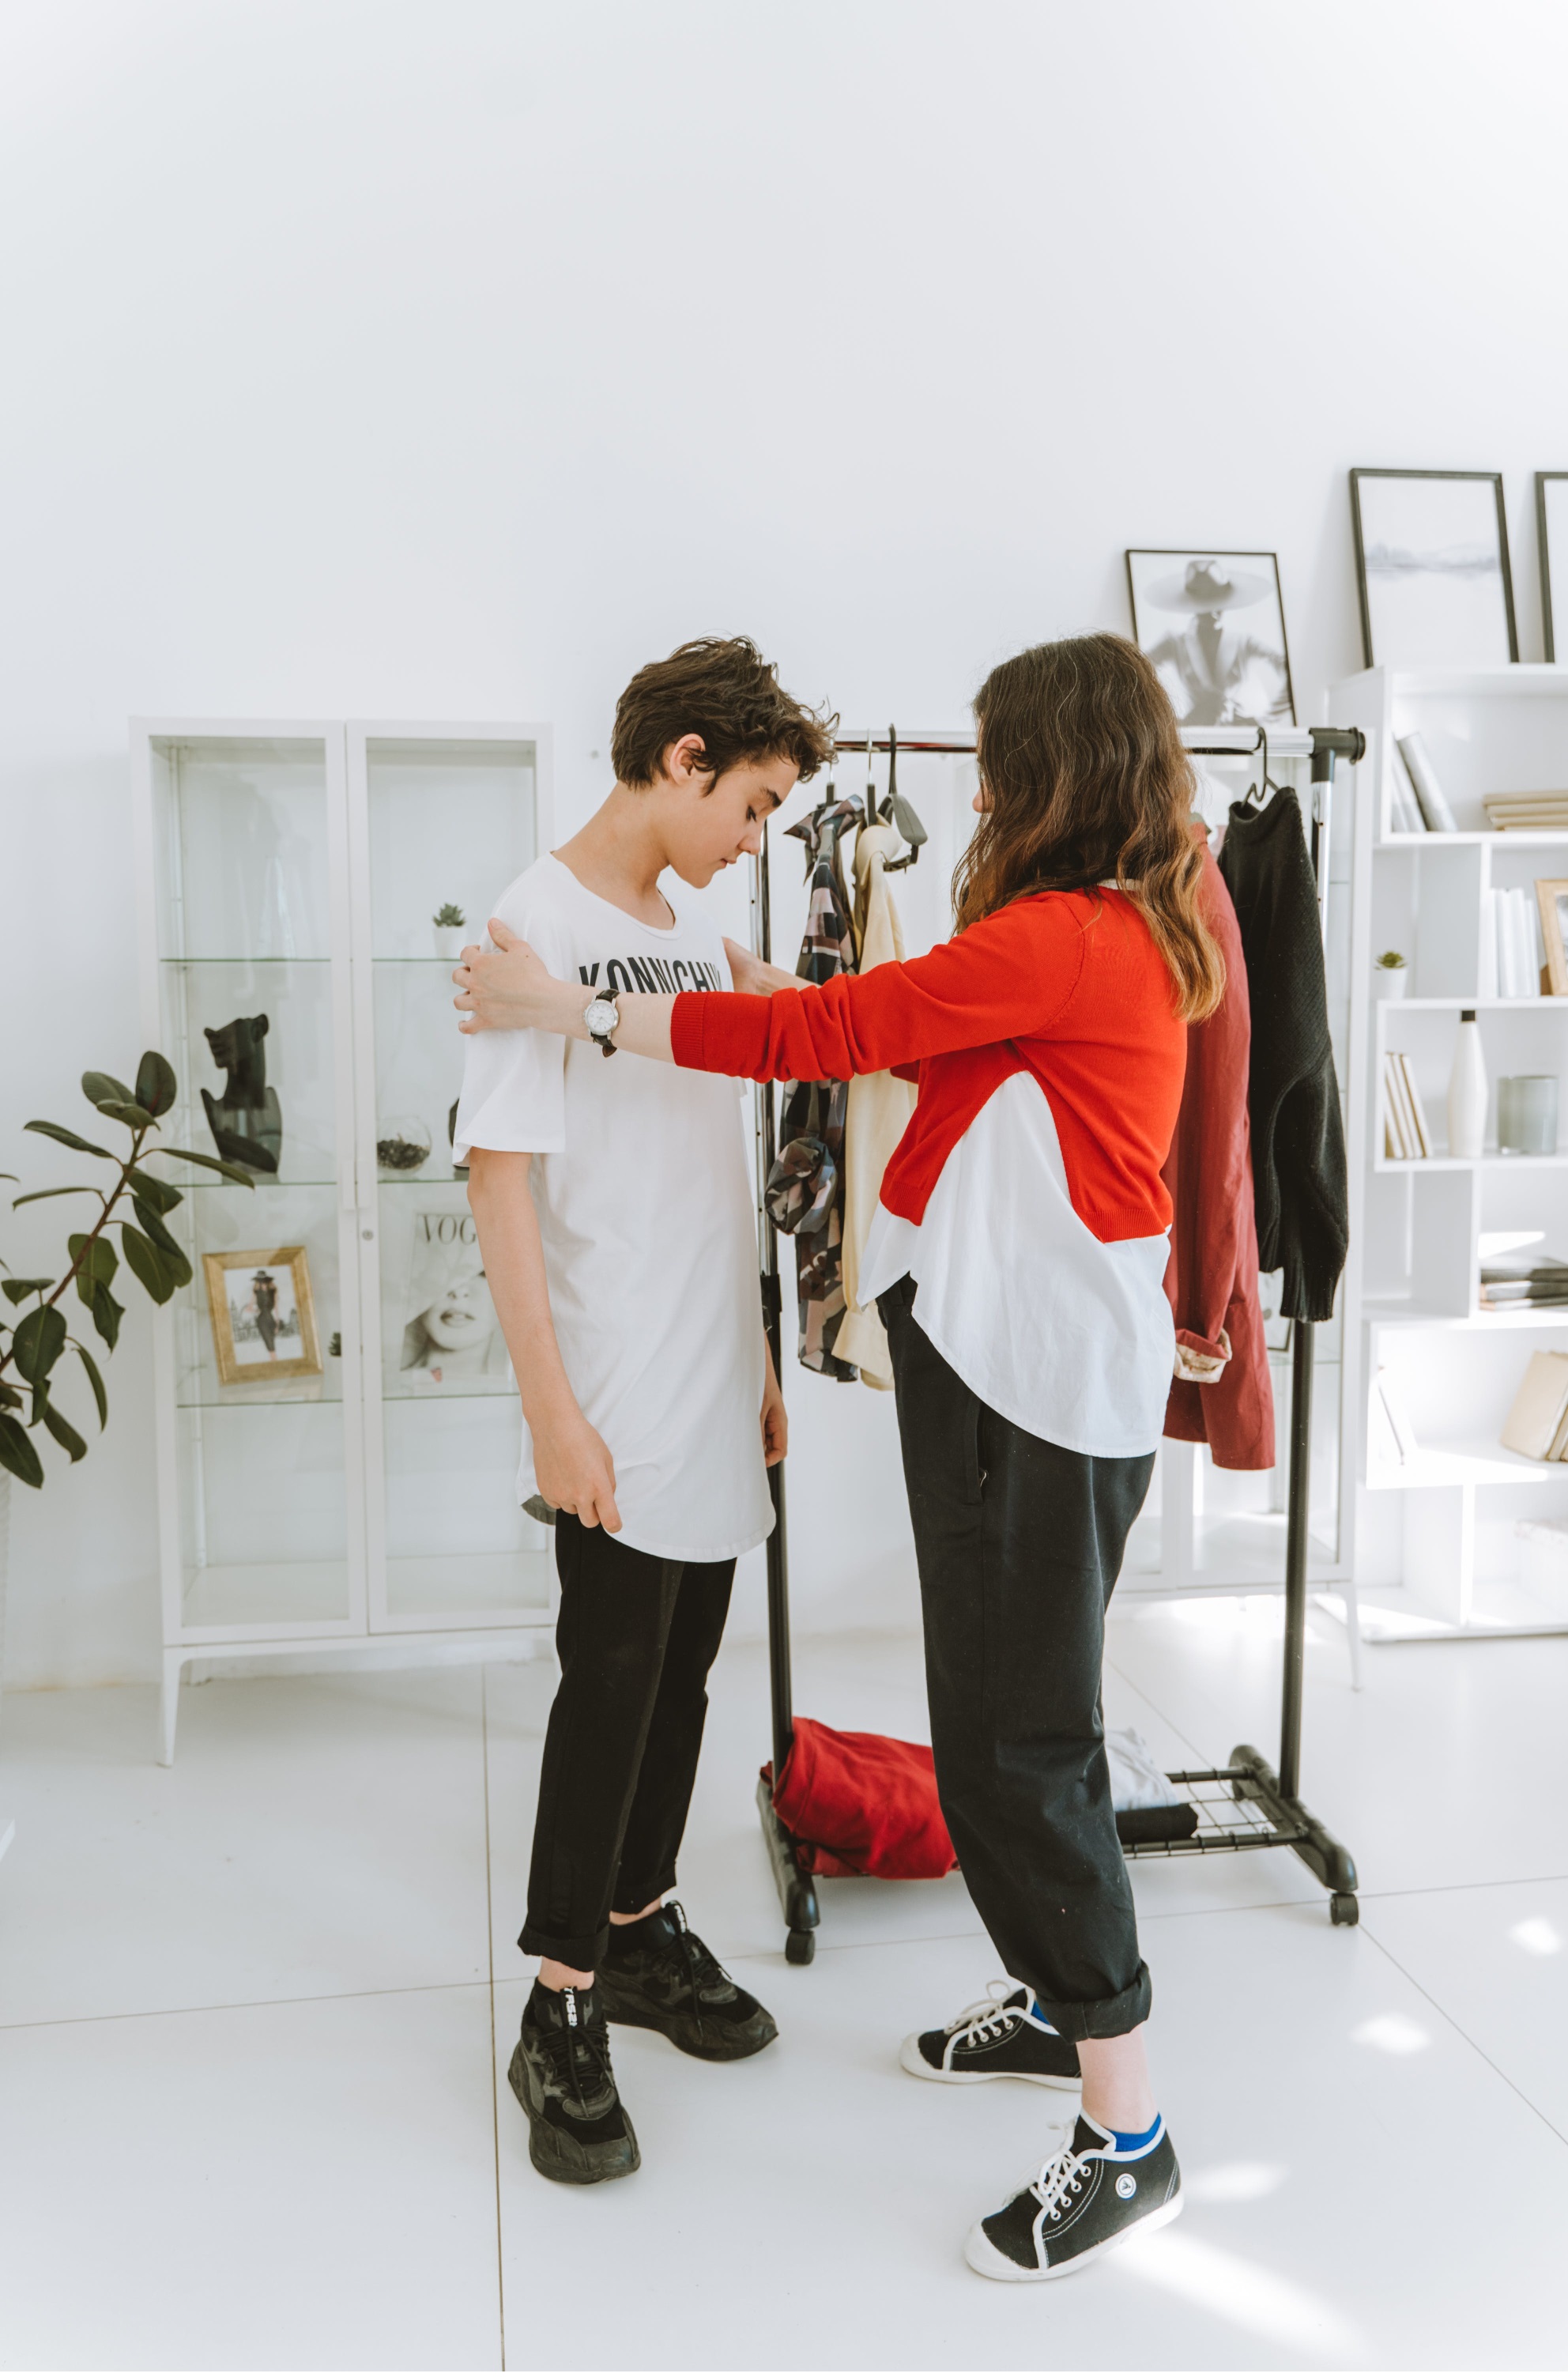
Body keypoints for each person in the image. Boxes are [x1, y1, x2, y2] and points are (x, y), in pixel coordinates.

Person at [454, 632, 1220, 2279]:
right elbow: (530, 1161)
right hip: (957, 1390)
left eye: (1004, 763)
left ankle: (1126, 2127)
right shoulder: (1072, 934)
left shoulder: (1066, 940)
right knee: (951, 1726)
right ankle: (1019, 1994)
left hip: (1026, 1405)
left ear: (1054, 774)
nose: (984, 795)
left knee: (1022, 1751)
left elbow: (828, 1035)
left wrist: (590, 1006)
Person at [451, 636, 834, 2188]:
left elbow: (709, 1161)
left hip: (703, 1367)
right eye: (747, 805)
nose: (753, 838)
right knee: (607, 1683)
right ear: (682, 759)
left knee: (680, 1678)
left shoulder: (691, 934)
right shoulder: (532, 928)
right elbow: (502, 1185)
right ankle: (557, 2004)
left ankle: (638, 1922)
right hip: (608, 1382)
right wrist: (551, 1411)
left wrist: (752, 1349)